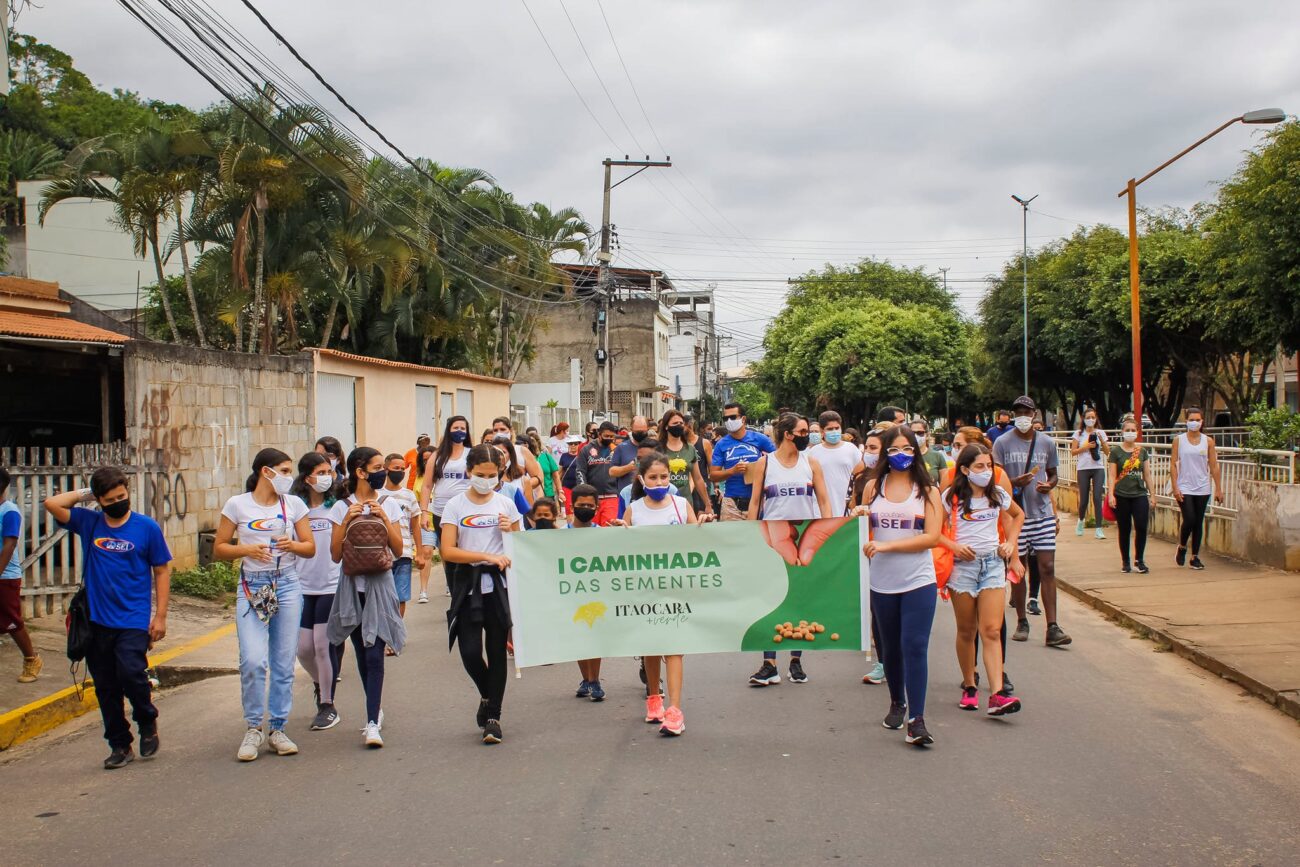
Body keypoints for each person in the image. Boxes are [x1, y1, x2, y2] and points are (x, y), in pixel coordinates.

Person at [44, 468, 171, 769]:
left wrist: (160, 616)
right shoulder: (90, 523)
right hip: (97, 621)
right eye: (110, 499)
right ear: (99, 500)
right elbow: (52, 504)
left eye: (122, 496)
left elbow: (162, 570)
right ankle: (119, 744)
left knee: (131, 674)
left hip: (132, 619)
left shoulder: (146, 528)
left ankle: (146, 720)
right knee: (105, 687)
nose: (117, 502)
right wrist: (86, 493)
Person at [215, 448, 315, 762]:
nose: (289, 477)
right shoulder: (237, 505)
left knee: (284, 663)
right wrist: (246, 549)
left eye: (290, 472)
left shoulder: (294, 504)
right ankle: (253, 727)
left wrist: (293, 545)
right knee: (253, 661)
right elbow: (218, 548)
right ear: (265, 472)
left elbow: (309, 547)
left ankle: (277, 728)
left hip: (286, 584)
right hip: (252, 587)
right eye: (284, 471)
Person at [853, 425, 942, 747]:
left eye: (907, 449)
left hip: (919, 580)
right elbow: (860, 529)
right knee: (889, 648)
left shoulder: (928, 491)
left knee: (914, 645)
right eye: (893, 449)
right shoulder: (873, 487)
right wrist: (859, 516)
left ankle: (917, 719)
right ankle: (897, 702)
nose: (901, 455)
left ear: (916, 451)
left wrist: (887, 547)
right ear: (884, 453)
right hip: (881, 582)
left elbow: (932, 537)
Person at [440, 444, 522, 744]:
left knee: (497, 651)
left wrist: (509, 533)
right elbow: (448, 550)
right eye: (480, 474)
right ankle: (487, 695)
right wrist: (485, 557)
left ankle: (493, 718)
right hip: (468, 584)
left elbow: (519, 546)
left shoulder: (505, 504)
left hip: (498, 588)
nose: (486, 480)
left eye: (492, 475)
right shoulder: (455, 506)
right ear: (468, 472)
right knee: (471, 652)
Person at [327, 447, 407, 749]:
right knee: (362, 653)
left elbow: (399, 550)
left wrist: (384, 518)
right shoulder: (340, 507)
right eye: (376, 467)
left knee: (375, 655)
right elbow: (335, 555)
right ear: (360, 472)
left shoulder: (389, 504)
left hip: (380, 588)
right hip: (351, 590)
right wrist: (347, 522)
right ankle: (374, 706)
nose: (381, 472)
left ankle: (372, 722)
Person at [745, 413, 833, 687]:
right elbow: (755, 502)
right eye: (805, 430)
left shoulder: (812, 462)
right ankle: (769, 663)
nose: (810, 434)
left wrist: (827, 532)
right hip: (773, 539)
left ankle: (796, 660)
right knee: (770, 600)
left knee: (801, 599)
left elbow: (823, 500)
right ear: (788, 434)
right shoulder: (764, 463)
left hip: (803, 539)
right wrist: (751, 535)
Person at [937, 444, 1025, 716]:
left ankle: (997, 693)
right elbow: (934, 532)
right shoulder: (950, 497)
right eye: (979, 467)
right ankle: (970, 685)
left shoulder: (997, 494)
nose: (986, 472)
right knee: (967, 630)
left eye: (989, 466)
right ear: (964, 469)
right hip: (962, 568)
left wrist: (1010, 545)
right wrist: (953, 547)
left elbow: (1018, 515)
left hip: (992, 565)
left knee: (991, 630)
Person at [624, 452, 705, 736]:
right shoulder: (633, 510)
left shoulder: (681, 505)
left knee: (674, 647)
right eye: (653, 477)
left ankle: (675, 710)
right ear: (641, 479)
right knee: (650, 645)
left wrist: (702, 526)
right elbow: (622, 550)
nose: (659, 482)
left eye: (664, 477)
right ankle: (653, 699)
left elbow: (696, 540)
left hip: (676, 588)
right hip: (644, 590)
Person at [992, 396, 1071, 648]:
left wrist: (1050, 485)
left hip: (1043, 512)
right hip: (1015, 515)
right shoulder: (1002, 443)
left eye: (1026, 412)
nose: (1022, 416)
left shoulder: (1046, 442)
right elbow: (996, 480)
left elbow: (1054, 473)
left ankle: (1052, 626)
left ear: (1035, 414)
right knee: (1019, 568)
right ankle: (1022, 620)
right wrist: (1015, 483)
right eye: (1018, 412)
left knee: (1047, 567)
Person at [291, 453, 344, 731]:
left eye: (329, 471)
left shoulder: (337, 508)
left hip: (331, 585)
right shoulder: (294, 509)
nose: (326, 476)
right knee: (302, 649)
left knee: (323, 646)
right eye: (320, 472)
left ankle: (327, 705)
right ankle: (320, 682)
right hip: (301, 586)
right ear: (306, 476)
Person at [420, 415, 472, 600]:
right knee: (448, 556)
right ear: (448, 430)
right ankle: (455, 595)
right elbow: (427, 486)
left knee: (466, 553)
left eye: (463, 428)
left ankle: (468, 594)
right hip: (442, 513)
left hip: (467, 512)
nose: (460, 431)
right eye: (456, 427)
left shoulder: (471, 453)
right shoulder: (437, 455)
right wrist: (424, 512)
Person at [0, 467, 41, 683]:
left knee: (12, 621)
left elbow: (9, 544)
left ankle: (31, 659)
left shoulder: (9, 511)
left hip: (5, 576)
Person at [567, 483, 606, 701]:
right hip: (570, 594)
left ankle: (594, 680)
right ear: (572, 506)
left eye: (590, 505)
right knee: (579, 638)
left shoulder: (601, 534)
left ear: (597, 507)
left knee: (594, 637)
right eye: (581, 505)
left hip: (594, 595)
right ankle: (586, 678)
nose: (586, 508)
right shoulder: (559, 535)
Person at [1171, 407, 1223, 570]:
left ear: (1202, 422)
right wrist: (1175, 486)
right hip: (1184, 486)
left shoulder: (1208, 441)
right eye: (1191, 420)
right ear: (1186, 421)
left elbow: (1214, 466)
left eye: (1197, 420)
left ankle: (1195, 557)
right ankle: (1182, 547)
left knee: (1198, 522)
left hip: (1202, 487)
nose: (1194, 423)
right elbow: (1173, 464)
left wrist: (1218, 488)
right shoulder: (1179, 440)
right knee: (1190, 518)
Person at [710, 402, 776, 521]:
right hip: (732, 503)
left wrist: (764, 464)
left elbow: (779, 460)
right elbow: (713, 475)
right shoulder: (721, 444)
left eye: (733, 417)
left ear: (743, 419)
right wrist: (732, 471)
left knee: (759, 538)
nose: (729, 421)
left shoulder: (760, 439)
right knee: (730, 539)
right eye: (726, 418)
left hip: (759, 500)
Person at [379, 453, 424, 623]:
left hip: (403, 553)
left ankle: (394, 633)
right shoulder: (377, 494)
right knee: (384, 597)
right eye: (395, 468)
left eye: (402, 469)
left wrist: (419, 552)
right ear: (386, 469)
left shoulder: (409, 495)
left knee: (400, 597)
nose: (399, 472)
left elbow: (415, 526)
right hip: (382, 554)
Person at [1107, 417, 1156, 575]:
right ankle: (1125, 561)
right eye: (1127, 430)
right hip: (1121, 494)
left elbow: (1147, 475)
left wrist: (1152, 495)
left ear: (1137, 432)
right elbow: (1112, 475)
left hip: (1139, 493)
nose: (1130, 433)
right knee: (1124, 528)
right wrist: (1110, 495)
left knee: (1141, 526)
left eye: (1133, 430)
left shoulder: (1141, 452)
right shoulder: (1115, 451)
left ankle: (1139, 560)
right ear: (1122, 432)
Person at [810, 411, 865, 517]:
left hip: (847, 509)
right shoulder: (813, 452)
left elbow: (860, 476)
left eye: (837, 428)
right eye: (830, 429)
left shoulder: (851, 449)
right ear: (822, 431)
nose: (834, 431)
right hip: (821, 511)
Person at [657, 410, 713, 513]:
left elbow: (698, 478)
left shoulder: (690, 449)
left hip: (685, 503)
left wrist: (707, 503)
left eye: (681, 423)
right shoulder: (658, 449)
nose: (678, 425)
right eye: (675, 423)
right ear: (666, 426)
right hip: (663, 503)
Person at [572, 421, 623, 525]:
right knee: (590, 528)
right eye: (606, 436)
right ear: (599, 434)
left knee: (609, 528)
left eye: (611, 436)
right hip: (592, 498)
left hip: (611, 496)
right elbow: (580, 471)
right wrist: (583, 491)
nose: (609, 438)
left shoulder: (616, 450)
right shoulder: (586, 449)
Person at [1071, 408, 1109, 541]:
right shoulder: (1078, 434)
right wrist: (1086, 447)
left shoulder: (1100, 433)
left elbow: (1107, 451)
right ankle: (1081, 521)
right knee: (1084, 500)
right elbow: (1073, 451)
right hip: (1083, 468)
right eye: (1088, 417)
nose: (1091, 420)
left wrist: (1101, 441)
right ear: (1083, 419)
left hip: (1098, 468)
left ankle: (1099, 529)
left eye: (1093, 417)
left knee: (1098, 498)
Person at [491, 417, 545, 496]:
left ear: (511, 431)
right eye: (495, 430)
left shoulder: (522, 451)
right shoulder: (489, 452)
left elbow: (538, 477)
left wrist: (520, 487)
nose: (499, 433)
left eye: (502, 429)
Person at [412, 444, 437, 602]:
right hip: (426, 521)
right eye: (424, 459)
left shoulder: (443, 477)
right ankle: (423, 590)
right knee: (426, 552)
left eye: (430, 459)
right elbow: (416, 498)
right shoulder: (419, 478)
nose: (427, 462)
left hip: (443, 520)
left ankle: (450, 584)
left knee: (448, 555)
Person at [610, 415, 651, 495]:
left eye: (642, 431)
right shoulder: (622, 447)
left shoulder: (654, 446)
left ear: (648, 429)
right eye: (637, 431)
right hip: (628, 495)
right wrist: (628, 468)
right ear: (631, 430)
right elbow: (612, 472)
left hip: (649, 495)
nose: (640, 434)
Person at [533, 436, 565, 519]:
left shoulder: (546, 456)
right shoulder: (525, 457)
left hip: (548, 495)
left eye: (534, 441)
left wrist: (560, 491)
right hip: (531, 496)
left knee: (549, 521)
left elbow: (556, 476)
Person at [910, 418, 947, 483]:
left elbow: (945, 481)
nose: (916, 436)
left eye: (920, 433)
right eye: (912, 433)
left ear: (927, 434)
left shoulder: (937, 456)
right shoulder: (906, 456)